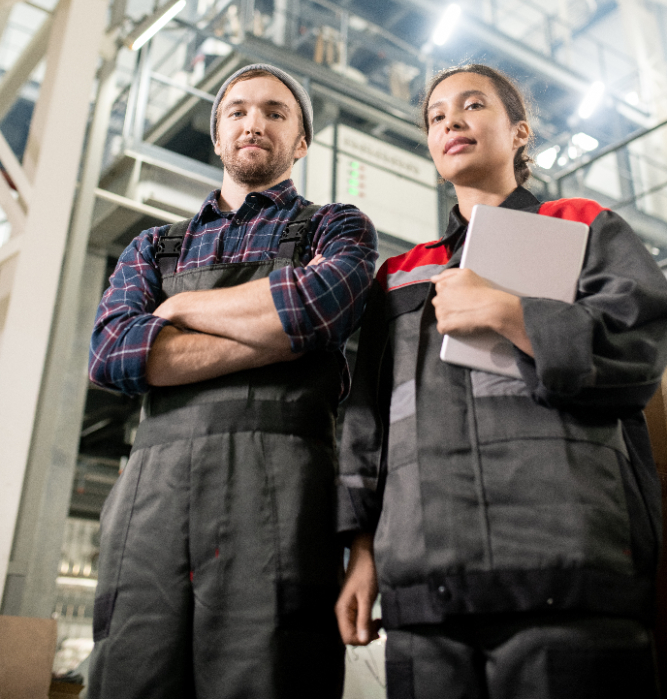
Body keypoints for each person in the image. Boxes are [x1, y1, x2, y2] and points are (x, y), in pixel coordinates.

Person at [335, 63, 667, 699]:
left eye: (472, 106)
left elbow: (637, 349)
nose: (450, 121)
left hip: (568, 571)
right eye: (435, 116)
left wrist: (511, 314)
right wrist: (362, 553)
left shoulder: (582, 225)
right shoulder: (403, 276)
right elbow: (365, 422)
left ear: (519, 133)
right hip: (425, 585)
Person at [87, 63, 378, 699]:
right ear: (218, 135)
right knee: (131, 674)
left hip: (280, 491)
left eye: (276, 113)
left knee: (268, 672)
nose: (255, 122)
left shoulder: (335, 227)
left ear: (301, 143)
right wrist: (271, 335)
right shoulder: (154, 248)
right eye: (238, 110)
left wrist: (179, 312)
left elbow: (316, 309)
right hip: (152, 499)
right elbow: (113, 353)